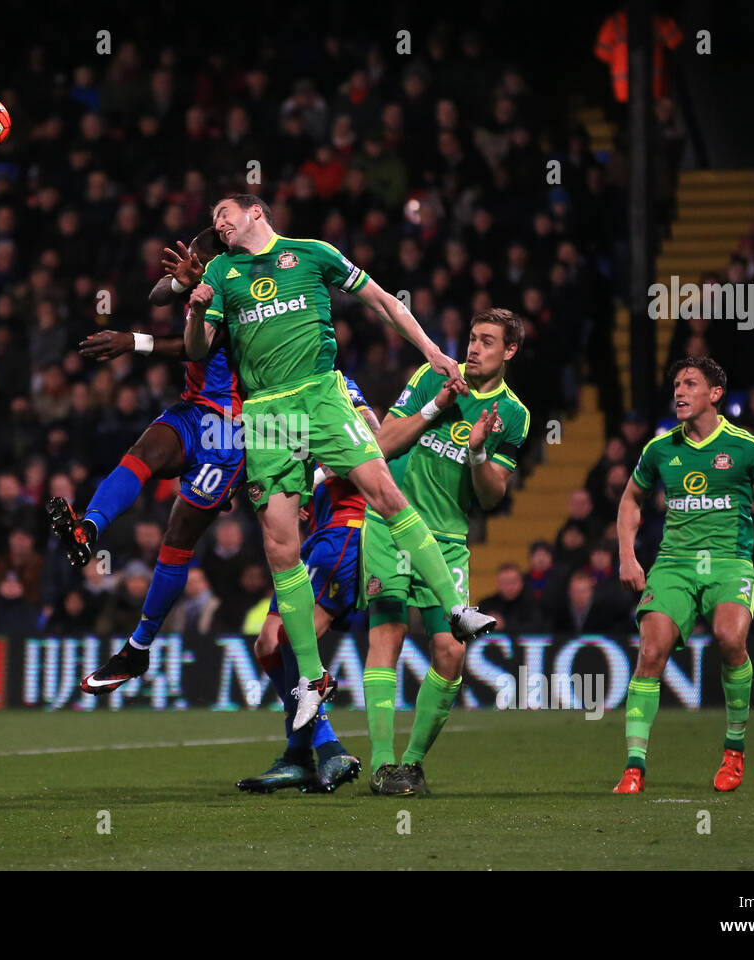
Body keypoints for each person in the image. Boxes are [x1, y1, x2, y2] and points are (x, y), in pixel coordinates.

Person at [187, 194, 495, 730]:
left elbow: (383, 302)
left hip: (322, 395)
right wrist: (194, 309)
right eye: (214, 221)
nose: (218, 224)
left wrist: (432, 352)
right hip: (265, 411)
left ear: (255, 211)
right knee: (281, 545)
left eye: (224, 213)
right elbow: (197, 349)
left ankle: (455, 607)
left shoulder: (313, 253)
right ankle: (310, 679)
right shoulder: (220, 270)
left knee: (386, 492)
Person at [45, 228, 245, 694]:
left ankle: (137, 647)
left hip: (230, 431)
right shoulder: (200, 281)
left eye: (196, 260)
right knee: (140, 455)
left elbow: (197, 347)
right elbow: (157, 295)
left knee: (177, 535)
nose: (186, 265)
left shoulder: (240, 298)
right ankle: (89, 529)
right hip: (194, 410)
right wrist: (181, 283)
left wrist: (131, 341)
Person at [614, 357, 754, 795]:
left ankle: (734, 749)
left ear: (715, 394)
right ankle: (634, 766)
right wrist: (627, 554)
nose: (679, 392)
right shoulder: (660, 450)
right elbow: (630, 501)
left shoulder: (746, 448)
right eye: (676, 384)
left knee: (730, 639)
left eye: (690, 384)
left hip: (729, 561)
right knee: (651, 652)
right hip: (675, 563)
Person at [363, 309, 529, 795]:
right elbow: (380, 444)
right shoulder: (431, 374)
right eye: (472, 338)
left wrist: (478, 451)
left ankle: (410, 765)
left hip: (448, 541)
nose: (473, 349)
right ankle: (380, 764)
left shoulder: (512, 415)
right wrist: (436, 405)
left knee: (451, 653)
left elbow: (491, 496)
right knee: (387, 638)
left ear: (509, 352)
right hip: (391, 524)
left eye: (487, 342)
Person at [236, 377, 378, 795]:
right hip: (314, 536)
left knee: (290, 637)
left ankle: (308, 753)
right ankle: (318, 750)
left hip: (344, 532)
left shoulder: (334, 384)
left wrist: (315, 474)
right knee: (266, 643)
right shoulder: (269, 398)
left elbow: (372, 429)